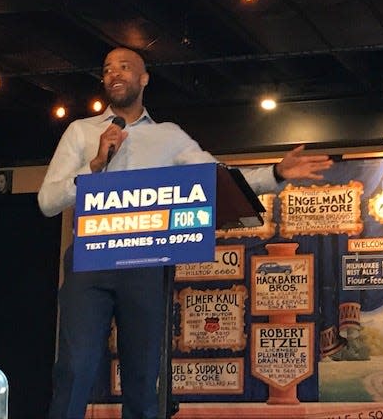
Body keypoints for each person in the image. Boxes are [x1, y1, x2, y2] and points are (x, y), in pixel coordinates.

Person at [38, 47, 333, 419]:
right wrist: (94, 164)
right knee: (75, 368)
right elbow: (48, 201)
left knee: (145, 379)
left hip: (146, 264)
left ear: (143, 79)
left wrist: (274, 174)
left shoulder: (169, 136)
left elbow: (218, 178)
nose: (115, 73)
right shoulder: (81, 131)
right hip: (89, 262)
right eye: (108, 69)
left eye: (125, 67)